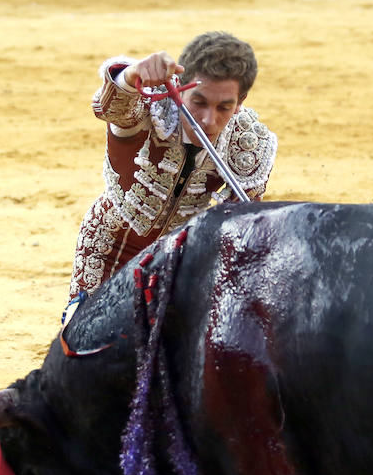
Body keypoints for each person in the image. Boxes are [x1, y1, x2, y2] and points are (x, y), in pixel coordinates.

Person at [66, 32, 277, 310]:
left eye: (224, 107)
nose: (208, 120)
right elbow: (111, 106)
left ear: (240, 101)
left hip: (183, 260)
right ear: (180, 87)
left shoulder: (249, 143)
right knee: (90, 348)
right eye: (198, 102)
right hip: (112, 246)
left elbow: (240, 229)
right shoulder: (151, 105)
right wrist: (131, 75)